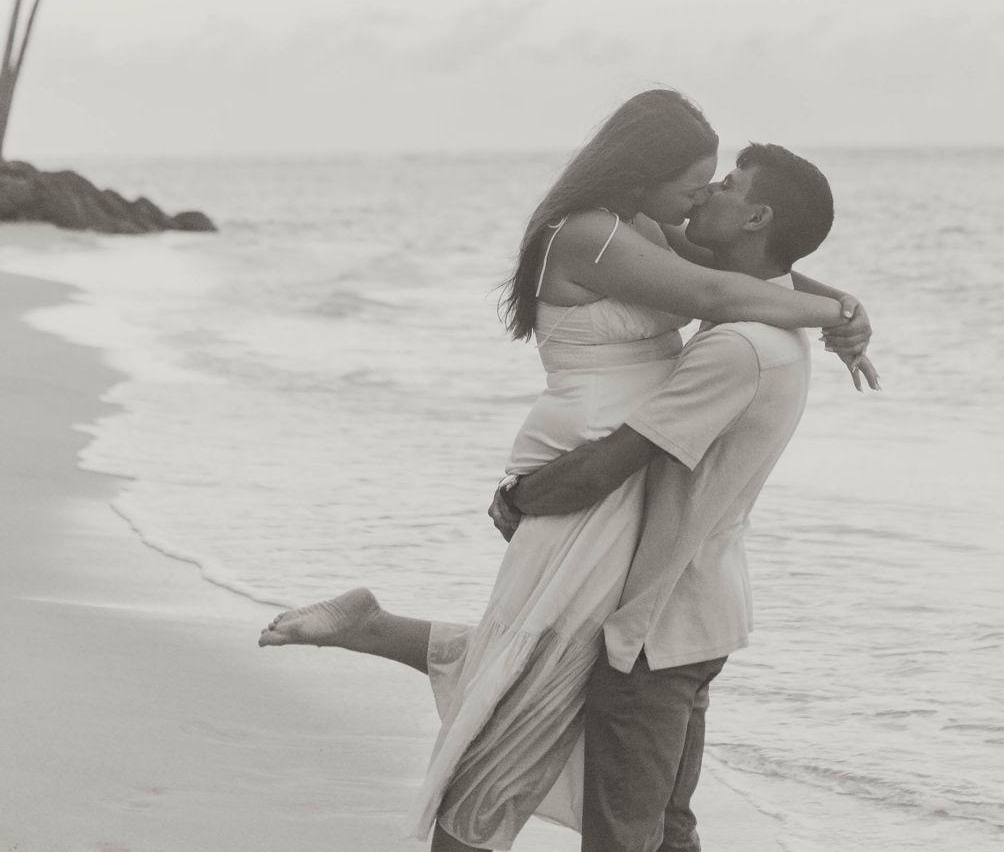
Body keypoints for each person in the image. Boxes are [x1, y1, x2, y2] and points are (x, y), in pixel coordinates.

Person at [257, 91, 873, 851]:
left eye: (716, 185)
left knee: (537, 656)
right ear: (644, 174)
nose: (701, 198)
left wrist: (847, 304)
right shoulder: (589, 234)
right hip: (585, 455)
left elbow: (746, 275)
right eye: (694, 184)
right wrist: (840, 317)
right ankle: (409, 704)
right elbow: (720, 289)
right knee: (527, 680)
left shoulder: (649, 231)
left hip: (612, 470)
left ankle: (372, 626)